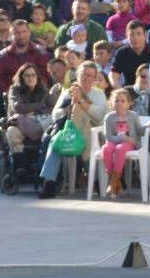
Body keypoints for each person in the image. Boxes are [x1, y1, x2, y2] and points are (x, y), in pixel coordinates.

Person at [38, 61, 108, 199]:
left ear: (95, 79)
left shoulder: (99, 94)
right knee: (56, 140)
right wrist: (68, 107)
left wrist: (80, 102)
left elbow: (99, 116)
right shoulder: (67, 92)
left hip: (92, 133)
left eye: (90, 75)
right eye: (83, 74)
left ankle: (50, 182)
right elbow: (55, 115)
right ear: (78, 75)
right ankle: (49, 183)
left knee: (82, 119)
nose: (86, 78)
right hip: (68, 132)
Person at [102, 88, 149, 198]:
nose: (119, 103)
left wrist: (149, 126)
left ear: (129, 104)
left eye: (123, 101)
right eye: (116, 101)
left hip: (130, 143)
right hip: (114, 141)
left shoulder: (133, 115)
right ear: (111, 103)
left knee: (120, 149)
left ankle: (112, 182)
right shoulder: (109, 117)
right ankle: (115, 181)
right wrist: (123, 138)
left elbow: (139, 131)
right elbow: (108, 136)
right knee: (106, 149)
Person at [0, 20, 50, 96]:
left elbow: (45, 76)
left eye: (24, 32)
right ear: (11, 34)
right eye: (17, 33)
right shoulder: (3, 55)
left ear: (29, 33)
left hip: (36, 95)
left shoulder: (41, 52)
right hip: (11, 95)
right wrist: (10, 93)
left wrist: (34, 91)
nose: (21, 36)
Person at [110, 21, 150, 88]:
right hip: (130, 91)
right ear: (126, 36)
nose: (135, 38)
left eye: (139, 34)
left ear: (145, 35)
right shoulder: (121, 53)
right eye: (132, 34)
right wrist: (122, 92)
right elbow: (113, 76)